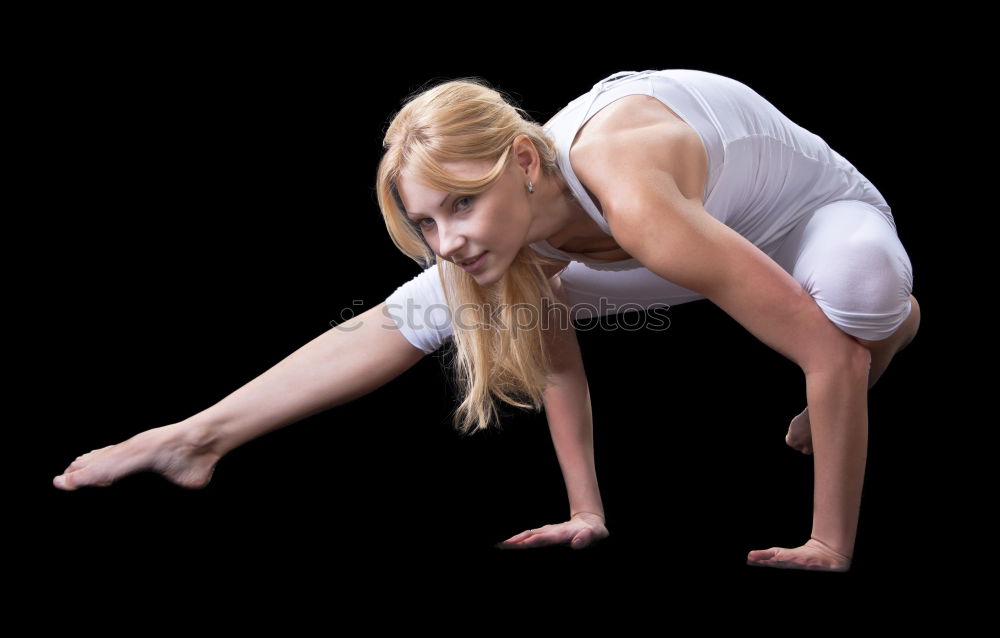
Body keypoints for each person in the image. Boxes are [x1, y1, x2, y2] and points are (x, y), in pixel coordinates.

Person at [52, 69, 920, 573]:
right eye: (428, 220)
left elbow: (823, 356)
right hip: (658, 237)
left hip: (800, 219)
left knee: (859, 297)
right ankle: (196, 436)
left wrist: (826, 542)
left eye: (462, 205)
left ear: (525, 161)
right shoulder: (512, 238)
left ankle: (896, 328)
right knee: (425, 304)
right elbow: (561, 368)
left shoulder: (628, 187)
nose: (448, 237)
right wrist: (588, 513)